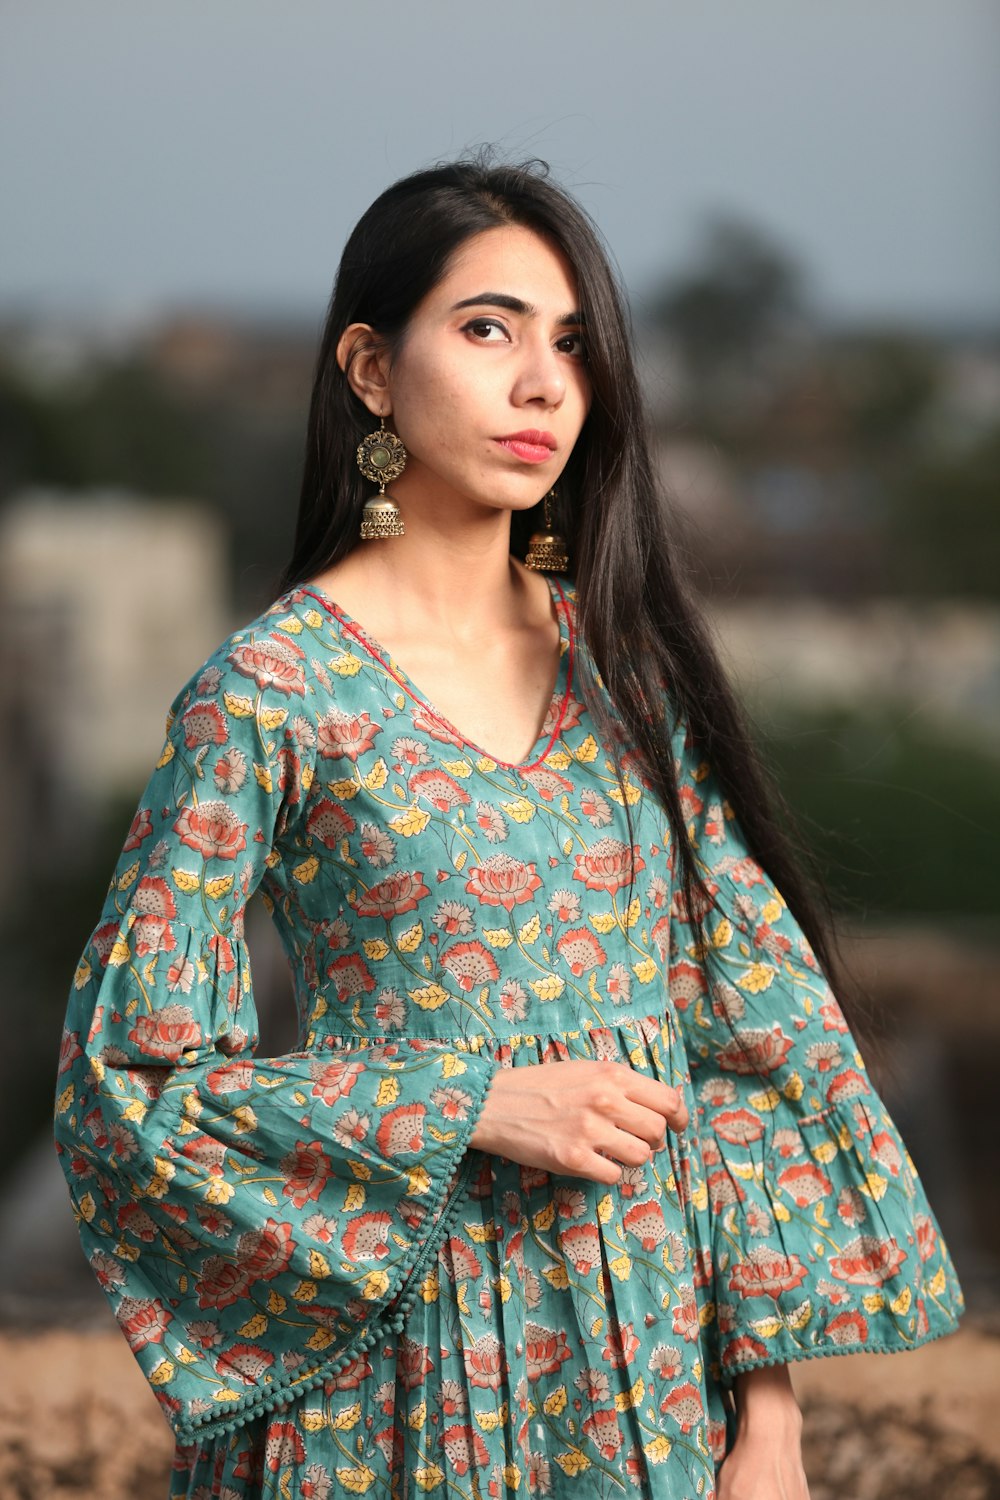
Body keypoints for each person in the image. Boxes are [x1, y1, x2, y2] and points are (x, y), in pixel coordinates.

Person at [54, 157, 963, 1500]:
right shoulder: (274, 692)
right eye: (489, 329)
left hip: (650, 1370)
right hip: (399, 1374)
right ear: (370, 368)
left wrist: (766, 1419)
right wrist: (468, 1098)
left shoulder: (633, 680)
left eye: (573, 345)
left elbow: (749, 1032)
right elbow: (128, 1082)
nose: (544, 385)